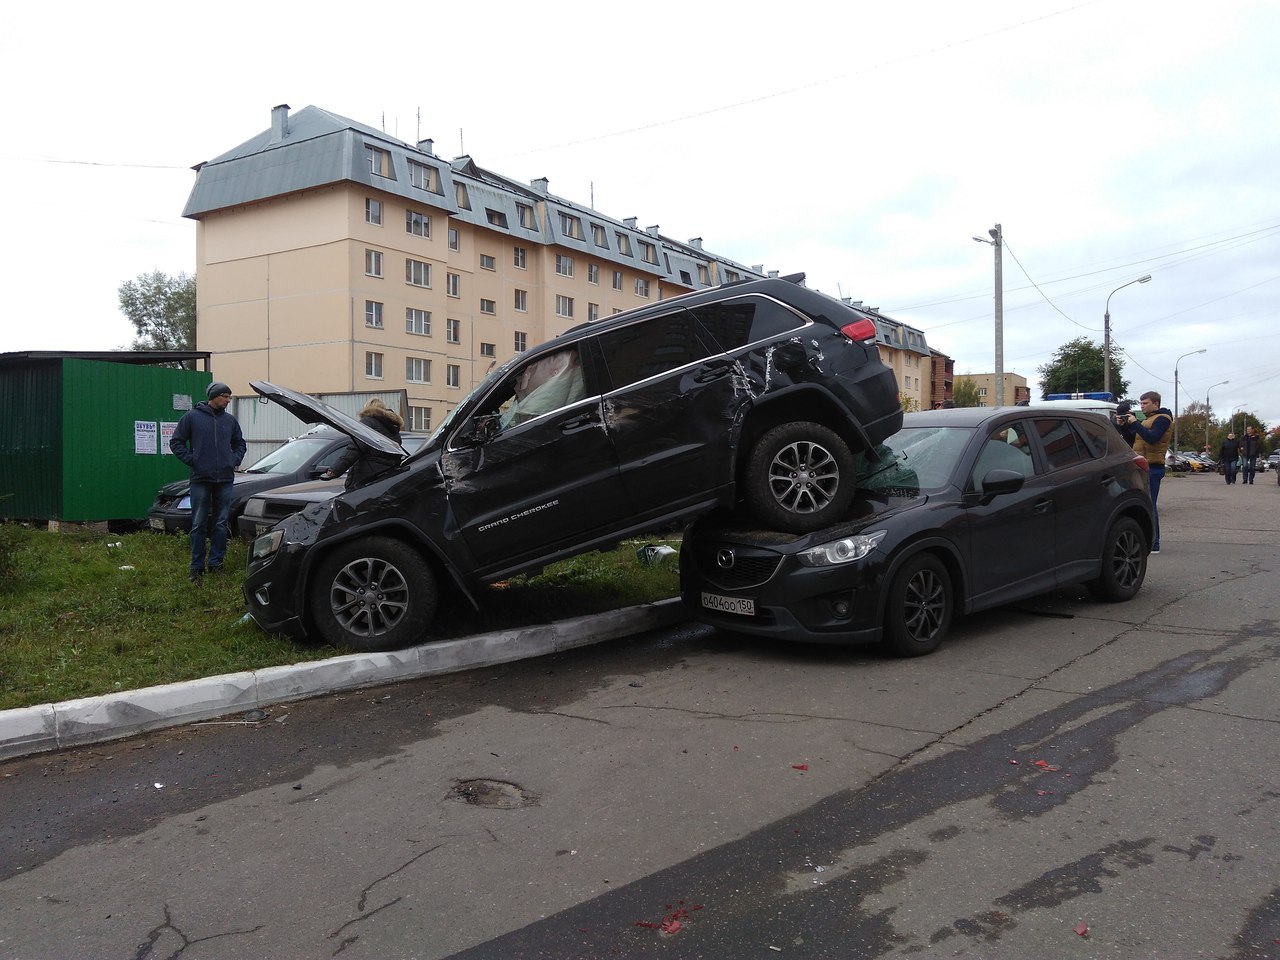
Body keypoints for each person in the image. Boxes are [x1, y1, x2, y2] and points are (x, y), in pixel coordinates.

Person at [170, 382, 246, 582]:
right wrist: (192, 460)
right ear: (214, 396)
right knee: (198, 523)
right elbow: (176, 442)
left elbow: (240, 443)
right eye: (225, 396)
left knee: (220, 523)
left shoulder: (230, 421)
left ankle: (216, 564)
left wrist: (233, 461)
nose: (228, 400)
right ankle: (196, 567)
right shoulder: (192, 418)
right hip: (200, 479)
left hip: (225, 479)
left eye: (230, 397)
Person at [1126, 390, 1173, 554]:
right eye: (1141, 403)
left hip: (1153, 467)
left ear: (1156, 403)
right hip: (1142, 466)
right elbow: (1135, 438)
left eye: (1145, 403)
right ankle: (1148, 541)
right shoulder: (1148, 419)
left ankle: (1155, 543)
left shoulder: (1162, 419)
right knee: (1143, 503)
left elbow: (1152, 438)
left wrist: (1135, 423)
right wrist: (1124, 424)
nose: (1142, 406)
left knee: (1150, 504)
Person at [321, 398, 404, 489]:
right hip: (387, 478)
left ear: (367, 409)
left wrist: (334, 470)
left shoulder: (367, 422)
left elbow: (354, 448)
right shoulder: (393, 427)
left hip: (366, 476)